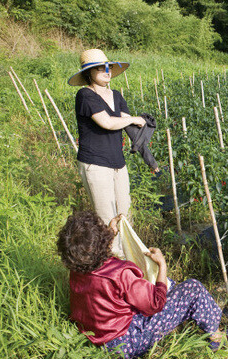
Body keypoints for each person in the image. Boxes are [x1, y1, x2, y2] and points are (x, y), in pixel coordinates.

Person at [57, 211, 228, 359]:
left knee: (170, 287)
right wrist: (162, 266)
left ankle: (187, 318)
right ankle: (215, 336)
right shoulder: (120, 273)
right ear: (101, 243)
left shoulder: (78, 267)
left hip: (97, 336)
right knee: (192, 288)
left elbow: (93, 256)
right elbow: (156, 303)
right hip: (126, 342)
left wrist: (111, 233)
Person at [68, 49, 155, 255]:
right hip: (96, 164)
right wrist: (133, 118)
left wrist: (150, 158)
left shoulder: (116, 95)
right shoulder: (85, 95)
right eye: (100, 68)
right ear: (89, 73)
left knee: (125, 214)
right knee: (107, 218)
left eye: (108, 67)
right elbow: (106, 122)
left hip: (118, 163)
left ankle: (130, 261)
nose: (107, 72)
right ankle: (113, 262)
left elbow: (128, 126)